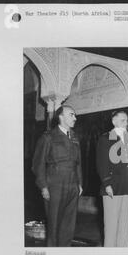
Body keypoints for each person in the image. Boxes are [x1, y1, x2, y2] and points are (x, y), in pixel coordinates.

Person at [32, 105, 83, 247]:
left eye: (75, 115)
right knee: (54, 224)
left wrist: (79, 184)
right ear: (61, 116)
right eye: (71, 114)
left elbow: (78, 163)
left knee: (68, 225)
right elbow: (38, 164)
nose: (75, 118)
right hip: (55, 184)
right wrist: (43, 187)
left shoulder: (75, 138)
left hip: (72, 184)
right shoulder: (48, 137)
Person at [96, 111, 128, 247]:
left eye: (127, 121)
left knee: (124, 223)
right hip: (112, 185)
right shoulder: (105, 138)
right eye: (122, 120)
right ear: (114, 122)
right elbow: (101, 163)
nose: (126, 124)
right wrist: (107, 183)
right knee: (111, 223)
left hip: (127, 184)